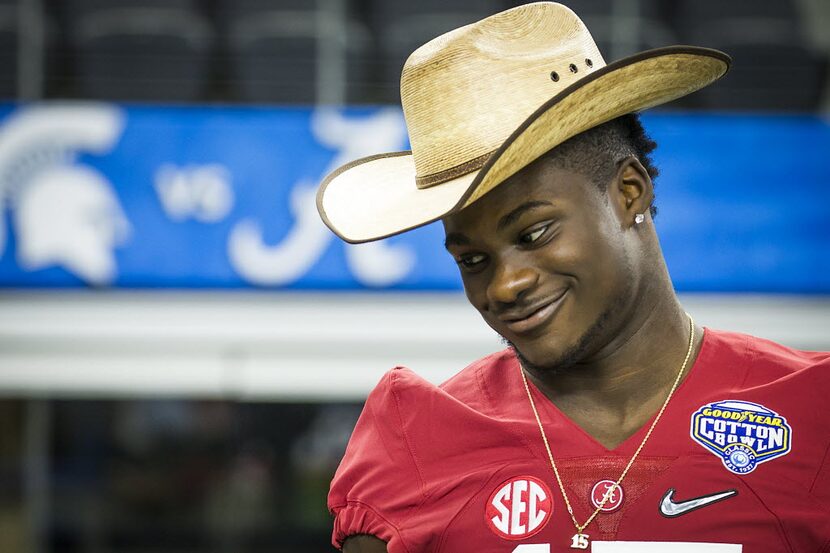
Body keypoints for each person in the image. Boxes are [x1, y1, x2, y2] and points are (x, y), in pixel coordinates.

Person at [316, 3, 830, 552]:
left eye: (534, 234)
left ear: (629, 192)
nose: (505, 285)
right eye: (473, 260)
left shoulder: (812, 410)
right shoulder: (416, 438)